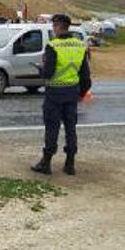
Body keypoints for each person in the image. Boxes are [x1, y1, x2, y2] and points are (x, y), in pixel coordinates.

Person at [32, 14, 92, 175]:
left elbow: (49, 73)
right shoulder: (80, 45)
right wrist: (82, 93)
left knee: (52, 128)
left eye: (54, 27)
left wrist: (41, 70)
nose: (53, 30)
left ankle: (46, 162)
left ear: (58, 27)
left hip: (54, 93)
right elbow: (85, 75)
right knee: (71, 128)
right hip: (72, 92)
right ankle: (70, 164)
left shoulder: (53, 46)